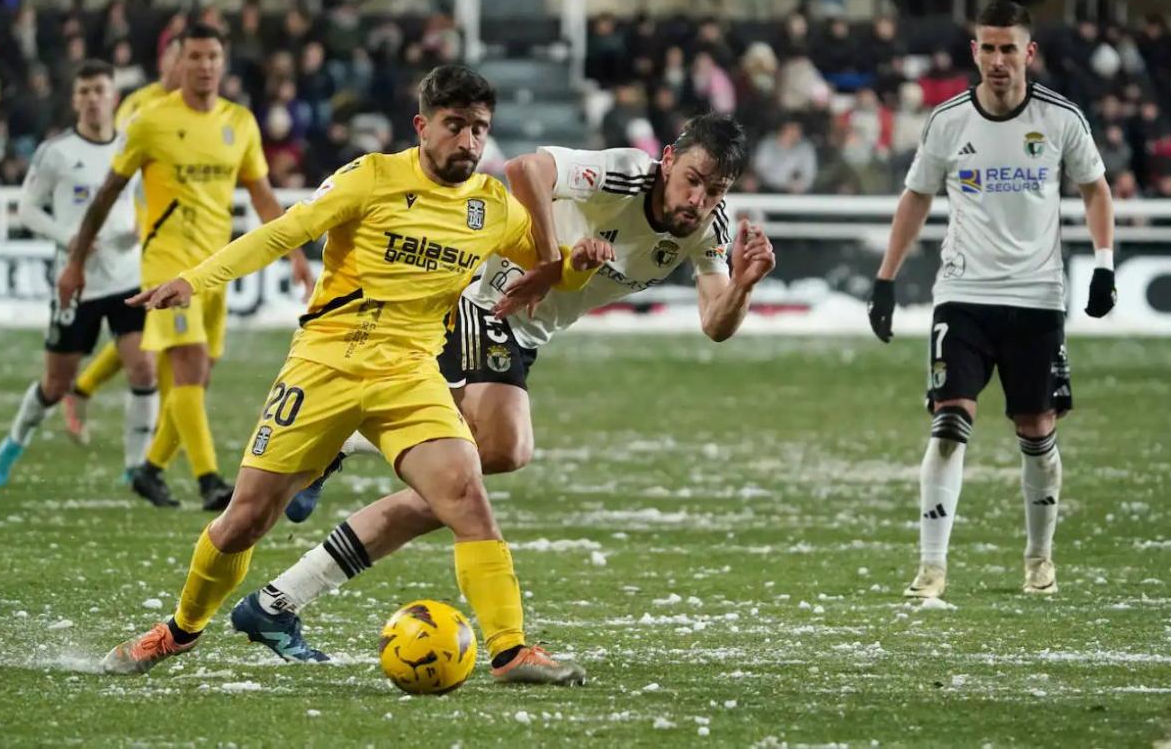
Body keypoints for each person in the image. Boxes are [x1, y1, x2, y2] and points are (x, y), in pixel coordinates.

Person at [99, 65, 595, 686]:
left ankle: (511, 651)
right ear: (422, 127)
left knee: (467, 498)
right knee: (246, 518)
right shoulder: (371, 177)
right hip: (326, 362)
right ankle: (178, 630)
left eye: (479, 129)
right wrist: (196, 280)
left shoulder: (492, 206)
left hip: (413, 372)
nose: (468, 143)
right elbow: (283, 232)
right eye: (455, 126)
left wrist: (579, 260)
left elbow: (551, 271)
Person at [233, 113, 777, 663]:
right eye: (693, 180)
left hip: (525, 334)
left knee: (444, 492)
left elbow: (715, 322)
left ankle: (279, 599)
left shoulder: (711, 226)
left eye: (717, 190)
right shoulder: (623, 175)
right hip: (485, 297)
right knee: (505, 447)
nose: (700, 199)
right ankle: (339, 448)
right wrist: (546, 259)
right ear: (666, 160)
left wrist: (745, 286)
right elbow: (525, 169)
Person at [866, 1, 1117, 599]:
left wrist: (1104, 267)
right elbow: (916, 198)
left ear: (1028, 53)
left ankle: (1038, 558)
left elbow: (1096, 190)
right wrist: (885, 279)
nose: (998, 60)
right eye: (988, 48)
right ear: (974, 52)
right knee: (949, 423)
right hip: (963, 295)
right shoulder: (948, 121)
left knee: (1036, 430)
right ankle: (931, 569)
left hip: (1036, 297)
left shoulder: (1060, 119)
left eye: (1009, 49)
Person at [56, 23, 315, 511]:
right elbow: (108, 192)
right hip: (165, 263)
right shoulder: (150, 120)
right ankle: (210, 480)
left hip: (216, 267)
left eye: (212, 56)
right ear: (179, 62)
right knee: (190, 367)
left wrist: (297, 256)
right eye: (194, 57)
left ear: (224, 61)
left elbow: (261, 195)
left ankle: (150, 468)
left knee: (197, 380)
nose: (203, 66)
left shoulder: (240, 122)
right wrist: (76, 261)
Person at [0, 61, 158, 487]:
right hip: (76, 282)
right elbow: (26, 208)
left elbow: (146, 199)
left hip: (126, 278)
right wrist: (70, 239)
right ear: (75, 99)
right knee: (56, 383)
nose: (93, 98)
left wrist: (139, 230)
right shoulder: (56, 153)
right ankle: (12, 443)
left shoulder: (130, 147)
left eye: (100, 89)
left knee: (144, 370)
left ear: (113, 96)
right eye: (84, 91)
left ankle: (136, 469)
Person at [63, 35, 186, 444]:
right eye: (179, 58)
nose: (186, 67)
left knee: (163, 332)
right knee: (167, 334)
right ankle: (167, 438)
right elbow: (118, 172)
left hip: (182, 233)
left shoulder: (200, 112)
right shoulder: (139, 106)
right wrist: (135, 220)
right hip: (146, 238)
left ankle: (85, 388)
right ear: (165, 61)